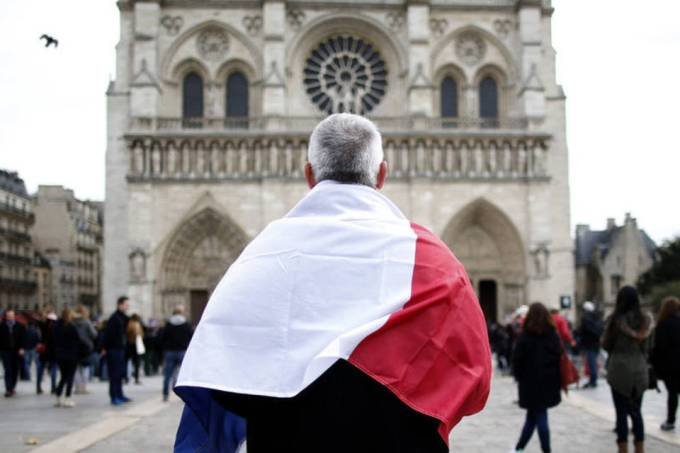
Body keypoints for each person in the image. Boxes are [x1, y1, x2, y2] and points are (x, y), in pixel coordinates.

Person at [173, 114, 492, 453]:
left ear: (309, 174)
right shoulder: (432, 259)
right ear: (382, 174)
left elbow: (220, 374)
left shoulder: (261, 257)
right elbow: (474, 374)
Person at [602, 286, 653, 453]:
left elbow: (605, 344)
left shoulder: (614, 320)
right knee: (637, 412)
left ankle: (622, 449)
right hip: (639, 369)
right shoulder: (645, 320)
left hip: (619, 369)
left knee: (621, 413)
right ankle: (640, 449)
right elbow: (649, 347)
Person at [512, 302, 562, 453]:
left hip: (529, 383)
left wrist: (519, 376)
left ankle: (541, 450)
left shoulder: (524, 336)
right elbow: (559, 355)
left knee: (537, 415)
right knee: (534, 416)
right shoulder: (552, 334)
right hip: (549, 381)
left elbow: (516, 360)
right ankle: (519, 448)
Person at [651, 296, 680, 432]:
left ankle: (670, 420)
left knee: (672, 393)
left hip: (670, 365)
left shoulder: (662, 325)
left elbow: (659, 347)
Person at [159, 306, 193, 402]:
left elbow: (162, 337)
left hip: (169, 352)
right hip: (182, 351)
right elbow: (191, 337)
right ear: (181, 313)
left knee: (167, 374)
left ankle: (165, 394)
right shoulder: (186, 324)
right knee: (183, 375)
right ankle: (184, 395)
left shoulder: (168, 324)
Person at [53, 307, 85, 407]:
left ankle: (58, 397)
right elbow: (79, 340)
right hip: (71, 355)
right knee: (70, 377)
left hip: (60, 356)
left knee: (63, 377)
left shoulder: (57, 326)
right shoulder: (72, 327)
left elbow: (54, 341)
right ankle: (67, 398)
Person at [102, 296, 131, 405]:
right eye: (126, 304)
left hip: (121, 349)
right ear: (120, 305)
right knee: (114, 374)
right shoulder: (114, 318)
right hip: (114, 350)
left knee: (120, 374)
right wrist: (104, 348)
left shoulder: (123, 317)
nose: (127, 306)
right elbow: (107, 335)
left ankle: (120, 394)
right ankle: (114, 396)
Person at [0, 309, 27, 397]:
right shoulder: (2, 326)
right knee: (8, 370)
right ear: (6, 316)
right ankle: (9, 389)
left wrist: (22, 348)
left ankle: (12, 387)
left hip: (17, 351)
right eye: (8, 316)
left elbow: (24, 339)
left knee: (15, 370)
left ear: (14, 316)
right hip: (5, 351)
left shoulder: (20, 326)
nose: (10, 317)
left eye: (11, 315)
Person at [578, 301, 604, 388]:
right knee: (592, 361)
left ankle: (593, 381)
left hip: (589, 343)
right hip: (595, 343)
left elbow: (583, 331)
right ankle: (593, 380)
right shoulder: (597, 317)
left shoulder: (586, 318)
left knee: (591, 361)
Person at [73, 305, 96, 394]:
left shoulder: (72, 322)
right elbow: (94, 334)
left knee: (76, 368)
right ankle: (83, 387)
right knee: (85, 367)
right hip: (86, 347)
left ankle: (77, 387)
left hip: (75, 347)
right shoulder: (87, 322)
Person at [126, 313, 145, 385]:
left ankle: (128, 377)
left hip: (131, 344)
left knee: (131, 361)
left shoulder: (129, 324)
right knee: (136, 362)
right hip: (136, 344)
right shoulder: (136, 324)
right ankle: (136, 378)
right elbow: (140, 334)